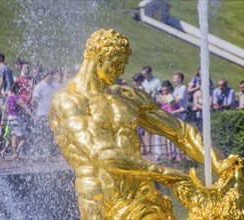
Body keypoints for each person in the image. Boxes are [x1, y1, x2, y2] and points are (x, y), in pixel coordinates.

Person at [49, 29, 224, 219]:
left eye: (123, 64)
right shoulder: (68, 101)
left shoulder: (127, 96)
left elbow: (181, 132)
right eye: (116, 64)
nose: (121, 71)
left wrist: (221, 164)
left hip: (142, 193)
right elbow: (101, 154)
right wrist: (166, 174)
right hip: (100, 198)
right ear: (99, 60)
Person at [0, 83, 36, 159]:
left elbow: (7, 110)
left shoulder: (9, 98)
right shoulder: (16, 98)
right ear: (17, 90)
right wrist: (33, 116)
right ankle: (17, 153)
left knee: (14, 136)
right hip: (16, 119)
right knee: (23, 138)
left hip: (10, 119)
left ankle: (14, 154)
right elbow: (25, 107)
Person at [31, 70, 59, 157]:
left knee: (51, 133)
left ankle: (49, 151)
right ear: (46, 76)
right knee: (43, 133)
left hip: (51, 114)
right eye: (50, 76)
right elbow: (34, 99)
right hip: (41, 114)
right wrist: (34, 113)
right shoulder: (40, 86)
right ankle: (40, 151)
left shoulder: (54, 86)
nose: (51, 78)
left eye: (52, 76)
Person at [141, 65, 161, 155]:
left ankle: (155, 148)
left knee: (154, 128)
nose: (144, 75)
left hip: (154, 106)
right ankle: (149, 148)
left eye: (145, 73)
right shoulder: (143, 82)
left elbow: (159, 92)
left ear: (149, 73)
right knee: (147, 129)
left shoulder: (156, 82)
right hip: (145, 106)